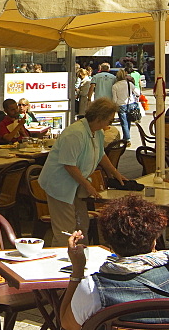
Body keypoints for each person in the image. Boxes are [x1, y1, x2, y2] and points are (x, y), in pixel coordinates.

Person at [59, 195, 169, 330]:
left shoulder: (93, 288)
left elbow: (68, 325)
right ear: (154, 241)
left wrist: (77, 271)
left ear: (111, 246)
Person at [38, 98, 130, 246]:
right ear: (100, 118)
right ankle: (62, 258)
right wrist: (88, 186)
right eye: (110, 120)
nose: (110, 124)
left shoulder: (97, 132)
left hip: (76, 183)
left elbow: (100, 154)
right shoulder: (75, 133)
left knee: (81, 223)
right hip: (60, 184)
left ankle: (80, 253)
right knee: (65, 228)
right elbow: (69, 165)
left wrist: (114, 172)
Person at [112, 68, 140, 143]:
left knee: (124, 122)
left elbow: (114, 99)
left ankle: (127, 138)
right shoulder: (129, 84)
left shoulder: (115, 86)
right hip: (130, 104)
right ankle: (127, 136)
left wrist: (114, 107)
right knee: (128, 122)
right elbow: (137, 93)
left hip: (121, 105)